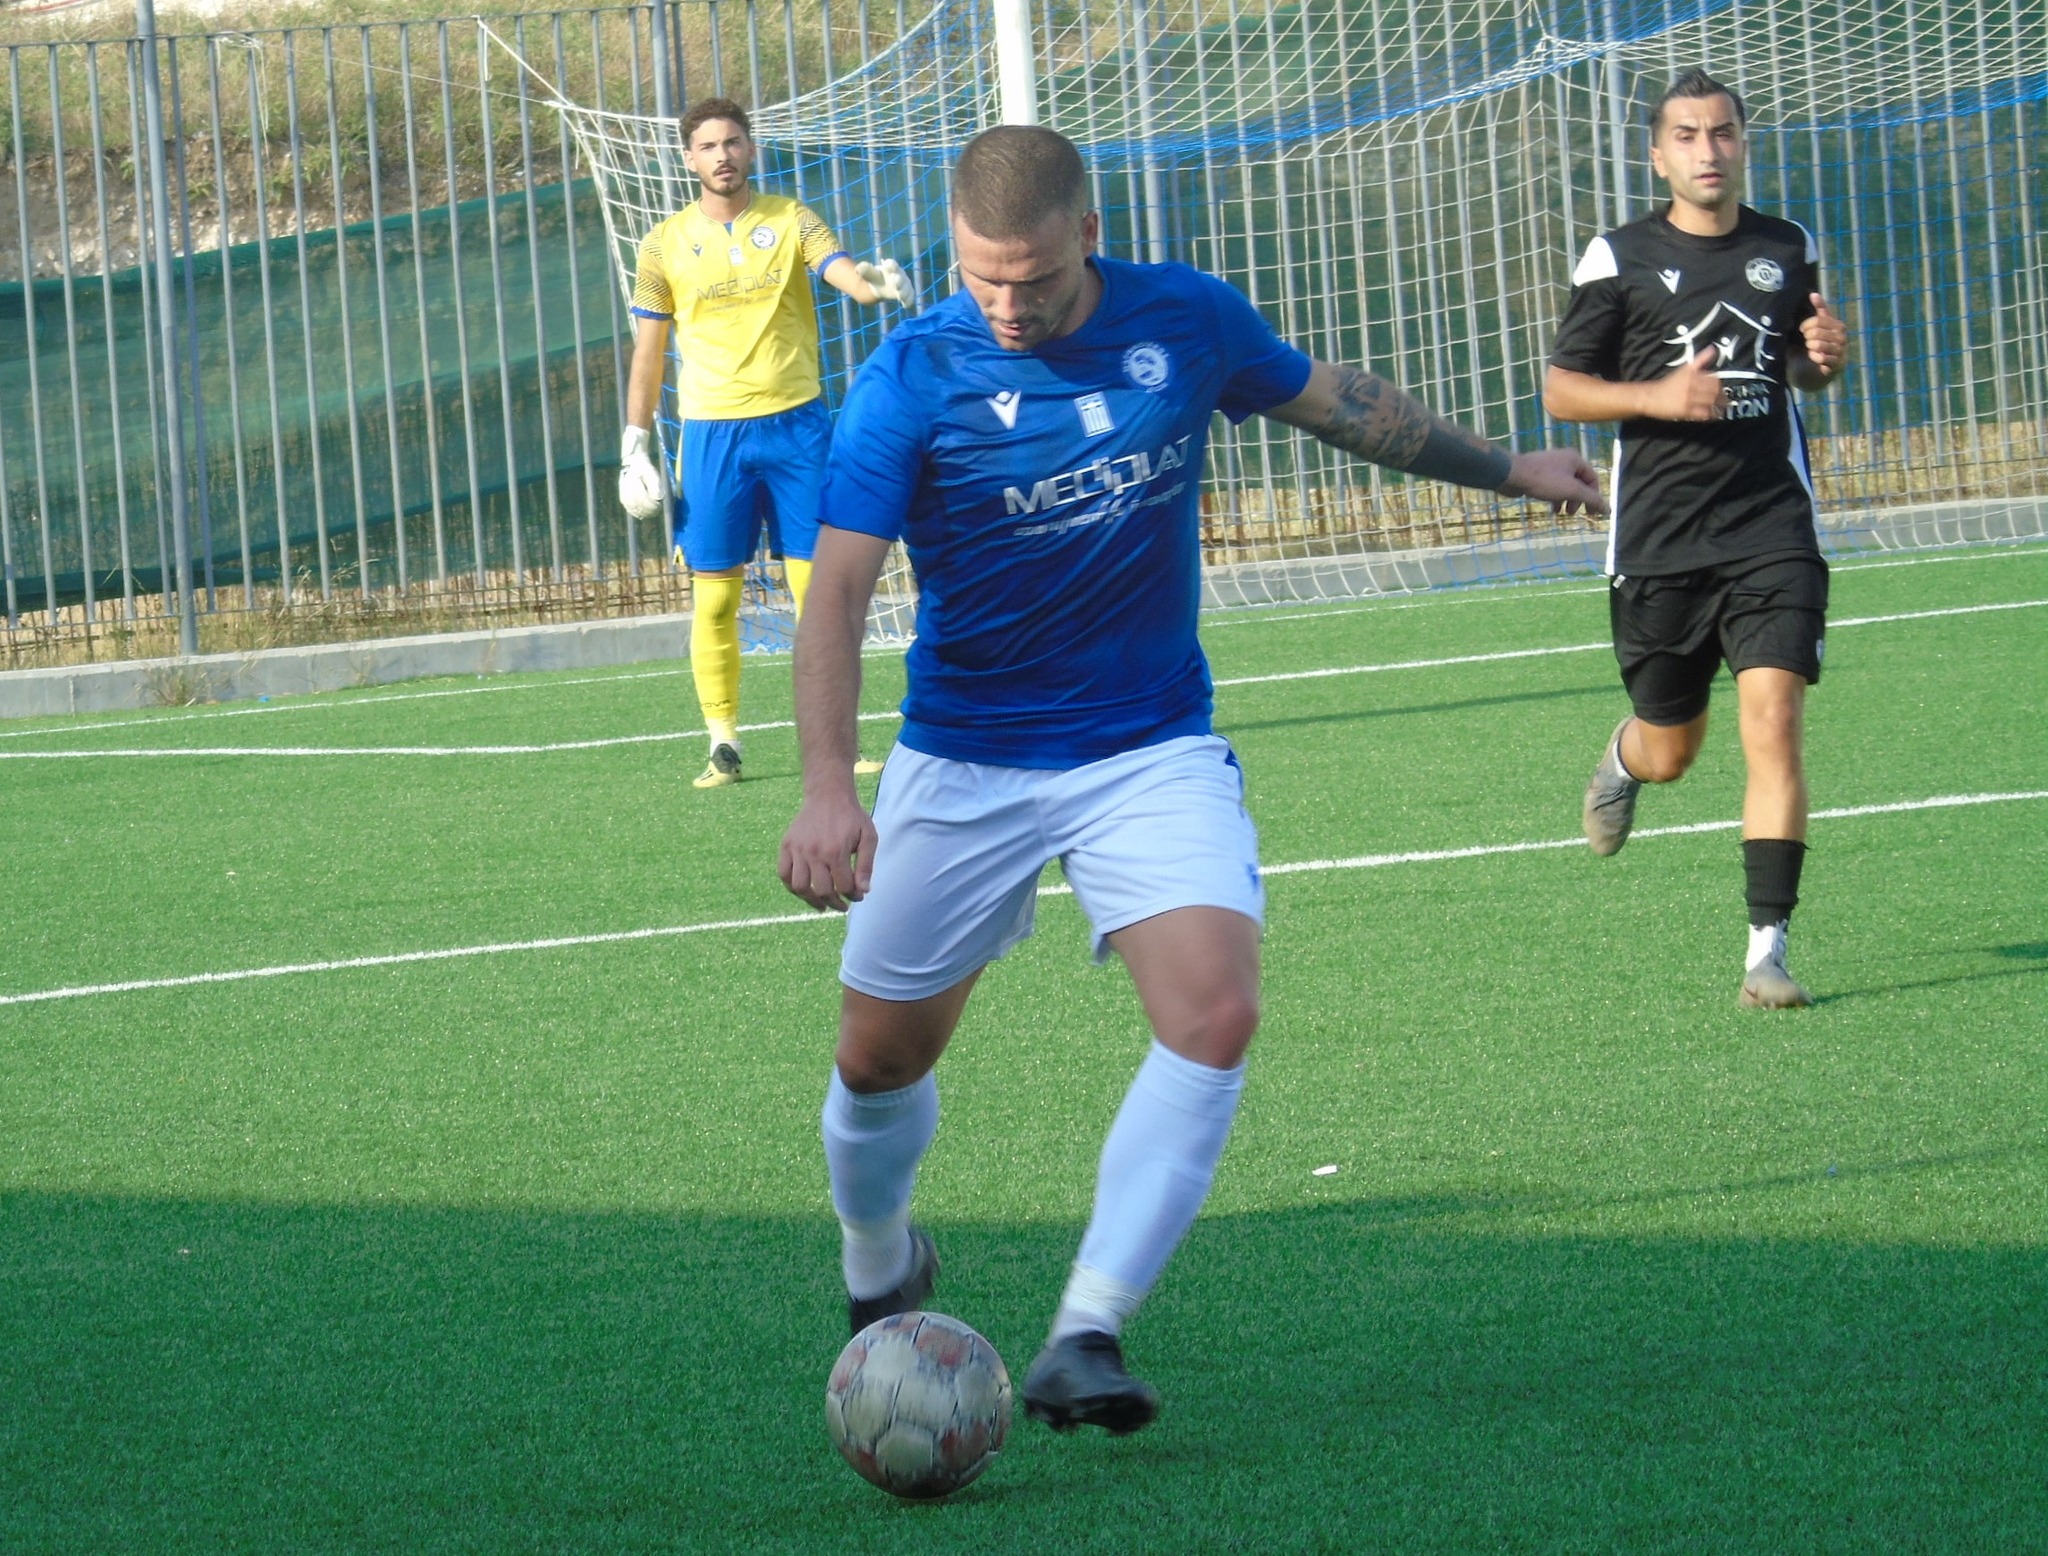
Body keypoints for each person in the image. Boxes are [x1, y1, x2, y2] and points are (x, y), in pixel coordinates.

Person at [778, 125, 1604, 1434]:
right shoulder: (911, 377)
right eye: (981, 276)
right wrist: (831, 784)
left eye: (1033, 278)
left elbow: (1344, 406)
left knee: (1215, 1011)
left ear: (1088, 235)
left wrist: (1509, 469)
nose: (1006, 304)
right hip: (966, 754)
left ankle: (1084, 1333)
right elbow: (835, 594)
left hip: (1146, 746)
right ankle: (878, 1262)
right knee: (876, 1058)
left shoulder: (1187, 317)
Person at [1544, 69, 1851, 1008]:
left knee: (1775, 719)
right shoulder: (1618, 256)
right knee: (1673, 750)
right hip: (1661, 540)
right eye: (1687, 135)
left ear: (1742, 144)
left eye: (1722, 133)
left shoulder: (1786, 246)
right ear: (1657, 155)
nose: (1707, 150)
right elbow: (1562, 390)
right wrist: (1656, 396)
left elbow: (1801, 367)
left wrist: (1823, 360)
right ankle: (1626, 756)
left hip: (1771, 527)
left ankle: (1767, 952)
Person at [619, 96, 911, 788]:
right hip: (712, 436)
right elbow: (649, 354)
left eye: (732, 142)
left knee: (820, 596)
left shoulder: (792, 219)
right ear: (689, 159)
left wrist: (870, 284)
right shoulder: (661, 244)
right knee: (716, 598)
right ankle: (722, 741)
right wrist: (634, 443)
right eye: (708, 146)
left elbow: (840, 270)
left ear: (751, 149)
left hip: (798, 429)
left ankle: (838, 743)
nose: (722, 155)